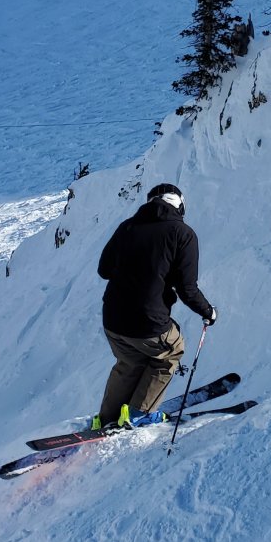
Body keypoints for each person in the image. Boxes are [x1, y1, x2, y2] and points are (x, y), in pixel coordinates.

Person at [94, 183, 217, 429]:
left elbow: (104, 270)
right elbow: (187, 288)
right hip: (148, 320)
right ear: (180, 205)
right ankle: (139, 413)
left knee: (129, 363)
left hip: (113, 319)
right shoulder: (182, 234)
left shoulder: (127, 226)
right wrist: (208, 311)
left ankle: (107, 418)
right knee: (170, 352)